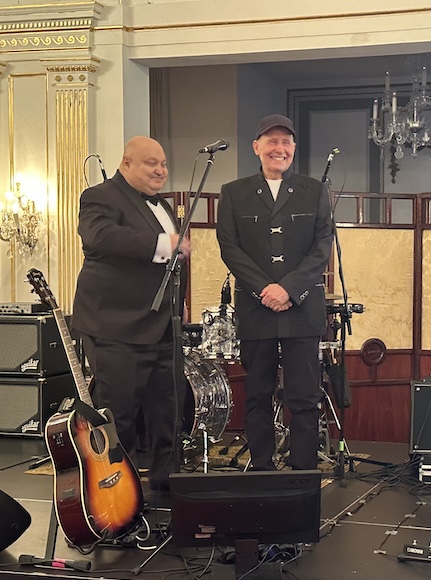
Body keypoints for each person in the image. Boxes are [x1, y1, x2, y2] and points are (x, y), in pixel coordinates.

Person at [71, 136, 190, 494]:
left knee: (168, 411)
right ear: (126, 163)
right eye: (151, 163)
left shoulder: (163, 205)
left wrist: (178, 302)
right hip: (116, 326)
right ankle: (116, 492)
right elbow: (101, 237)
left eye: (164, 164)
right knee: (118, 415)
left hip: (162, 325)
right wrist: (163, 244)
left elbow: (169, 266)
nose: (161, 170)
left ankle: (167, 485)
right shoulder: (99, 196)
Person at [216, 114, 333, 471]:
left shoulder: (315, 191)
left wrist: (288, 289)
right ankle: (262, 470)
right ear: (257, 147)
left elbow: (322, 247)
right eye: (272, 141)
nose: (279, 148)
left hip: (302, 308)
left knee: (304, 398)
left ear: (294, 148)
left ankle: (303, 472)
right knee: (257, 395)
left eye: (286, 142)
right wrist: (265, 289)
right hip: (257, 308)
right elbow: (229, 247)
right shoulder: (233, 193)